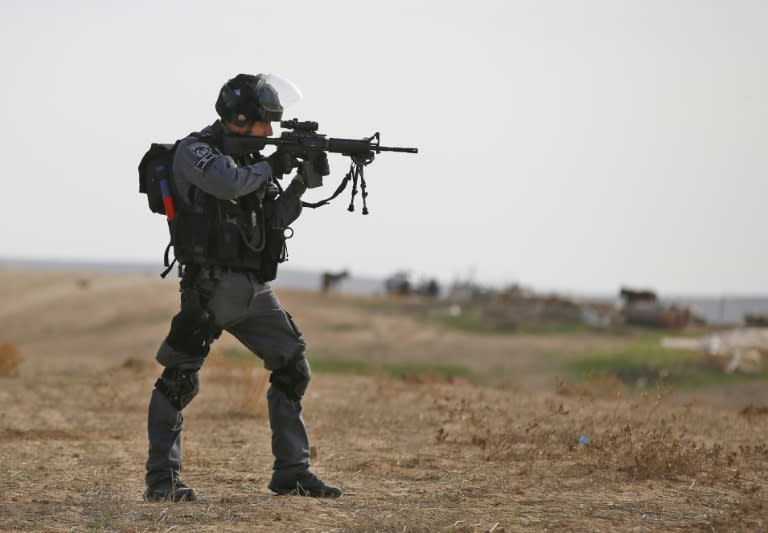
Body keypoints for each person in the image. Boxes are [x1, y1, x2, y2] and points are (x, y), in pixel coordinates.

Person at [143, 73, 341, 502]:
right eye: (265, 122)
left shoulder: (253, 161)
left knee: (292, 366)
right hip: (210, 287)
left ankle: (292, 472)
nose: (271, 132)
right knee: (179, 380)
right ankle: (162, 480)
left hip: (254, 288)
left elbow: (274, 220)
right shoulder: (194, 151)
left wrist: (301, 180)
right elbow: (226, 183)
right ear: (239, 117)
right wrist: (273, 164)